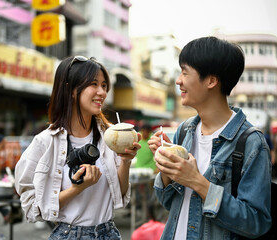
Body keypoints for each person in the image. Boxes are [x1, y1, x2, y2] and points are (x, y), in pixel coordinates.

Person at [148, 36, 272, 239]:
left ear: (212, 81)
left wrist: (197, 181)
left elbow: (256, 222)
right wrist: (168, 170)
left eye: (185, 72)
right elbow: (169, 203)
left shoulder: (251, 143)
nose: (178, 80)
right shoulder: (184, 130)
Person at [14, 56, 141, 239]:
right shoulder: (45, 142)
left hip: (109, 233)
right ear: (71, 90)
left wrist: (126, 161)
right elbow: (33, 208)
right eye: (94, 84)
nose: (102, 92)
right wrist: (77, 189)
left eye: (104, 85)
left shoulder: (111, 138)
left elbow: (120, 195)